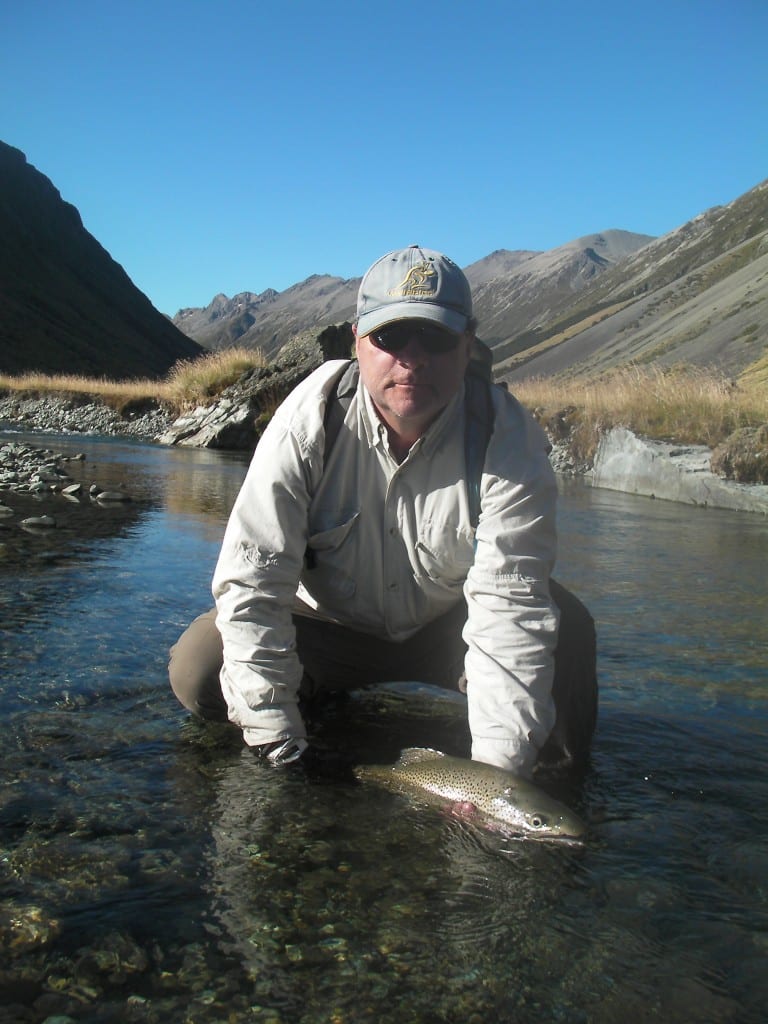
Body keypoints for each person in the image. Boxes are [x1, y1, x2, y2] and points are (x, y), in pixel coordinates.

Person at [169, 245, 597, 777]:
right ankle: (306, 704)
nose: (412, 357)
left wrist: (496, 785)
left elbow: (508, 610)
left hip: (449, 629)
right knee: (200, 668)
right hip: (325, 627)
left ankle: (555, 777)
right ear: (357, 341)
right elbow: (252, 586)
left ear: (468, 346)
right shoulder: (309, 420)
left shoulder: (507, 438)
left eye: (436, 337)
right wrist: (278, 748)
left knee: (566, 632)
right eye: (390, 336)